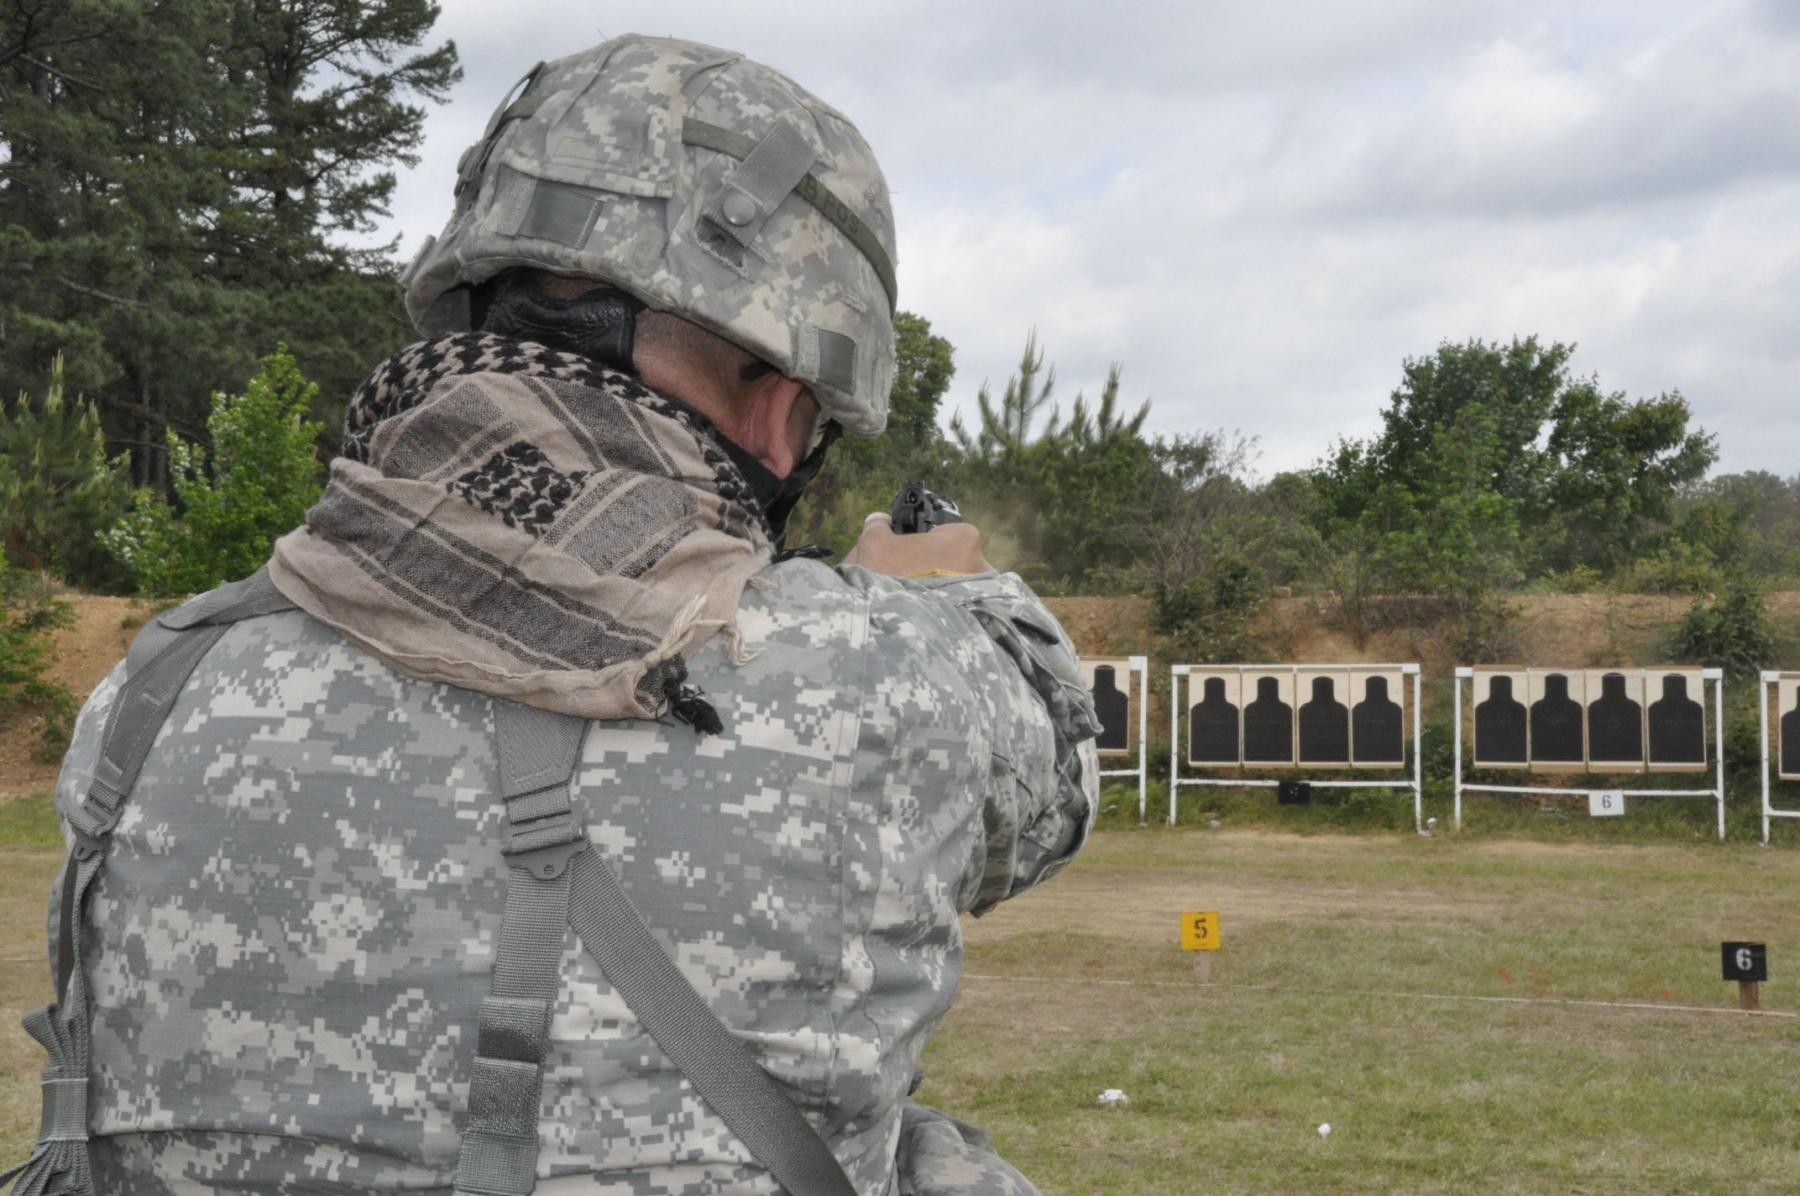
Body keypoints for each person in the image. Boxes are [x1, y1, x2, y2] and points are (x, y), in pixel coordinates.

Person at [8, 33, 1099, 1196]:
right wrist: (923, 596)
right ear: (784, 417)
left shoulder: (156, 687)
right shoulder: (883, 677)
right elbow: (1054, 773)